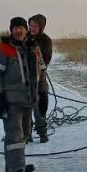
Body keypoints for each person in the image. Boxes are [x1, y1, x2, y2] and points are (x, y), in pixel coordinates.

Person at [0, 17, 41, 172]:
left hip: (28, 99)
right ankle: (16, 168)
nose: (18, 31)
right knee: (14, 135)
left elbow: (41, 70)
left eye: (21, 28)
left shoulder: (33, 47)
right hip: (11, 101)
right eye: (15, 28)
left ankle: (13, 164)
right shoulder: (3, 49)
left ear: (26, 30)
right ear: (11, 30)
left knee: (24, 133)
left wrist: (42, 93)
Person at [28, 14, 53, 144]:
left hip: (40, 75)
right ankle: (27, 133)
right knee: (26, 105)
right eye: (30, 25)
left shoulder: (46, 40)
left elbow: (47, 59)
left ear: (41, 27)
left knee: (41, 103)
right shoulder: (23, 37)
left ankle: (42, 131)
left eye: (35, 26)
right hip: (25, 76)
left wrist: (36, 55)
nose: (32, 28)